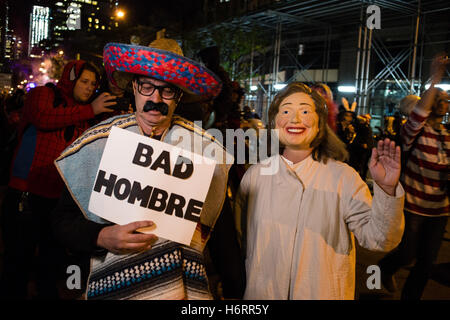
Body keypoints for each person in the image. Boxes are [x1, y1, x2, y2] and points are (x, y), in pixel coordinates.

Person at [51, 38, 235, 300]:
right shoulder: (99, 144)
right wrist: (102, 236)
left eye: (167, 90)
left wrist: (235, 292)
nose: (156, 98)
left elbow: (223, 237)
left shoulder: (202, 149)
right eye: (147, 86)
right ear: (134, 88)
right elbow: (61, 222)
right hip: (114, 286)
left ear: (178, 96)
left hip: (184, 290)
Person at [235, 82, 405, 300]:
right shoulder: (254, 177)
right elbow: (243, 242)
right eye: (286, 111)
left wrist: (387, 190)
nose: (295, 119)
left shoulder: (343, 178)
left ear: (320, 124)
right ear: (274, 122)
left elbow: (380, 239)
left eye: (305, 111)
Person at [0, 60, 115, 299]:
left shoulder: (86, 113)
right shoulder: (43, 94)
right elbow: (43, 117)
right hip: (26, 194)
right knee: (17, 262)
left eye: (93, 84)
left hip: (58, 200)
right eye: (83, 81)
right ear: (70, 78)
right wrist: (90, 110)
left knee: (51, 263)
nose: (88, 88)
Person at [378, 54, 449, 300]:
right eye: (438, 99)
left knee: (426, 263)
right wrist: (436, 76)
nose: (443, 103)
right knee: (407, 253)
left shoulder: (448, 137)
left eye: (446, 100)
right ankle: (384, 269)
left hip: (440, 210)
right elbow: (419, 114)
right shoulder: (414, 131)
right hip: (413, 207)